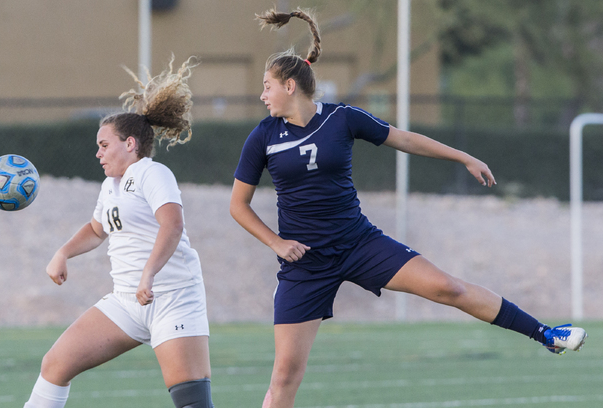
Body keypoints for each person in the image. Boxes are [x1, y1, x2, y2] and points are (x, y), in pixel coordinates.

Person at [229, 8, 588, 408]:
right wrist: (277, 244)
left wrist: (463, 157)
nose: (262, 96)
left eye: (267, 87)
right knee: (284, 379)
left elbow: (406, 140)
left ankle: (546, 335)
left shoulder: (343, 118)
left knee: (447, 287)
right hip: (304, 264)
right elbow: (238, 206)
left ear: (290, 85)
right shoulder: (262, 137)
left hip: (358, 243)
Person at [23, 55, 214, 408]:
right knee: (55, 365)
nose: (98, 153)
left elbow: (172, 226)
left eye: (104, 144)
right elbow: (97, 230)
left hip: (171, 297)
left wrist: (148, 274)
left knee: (191, 400)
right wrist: (62, 252)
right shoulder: (111, 185)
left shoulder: (151, 173)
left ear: (130, 144)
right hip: (127, 301)